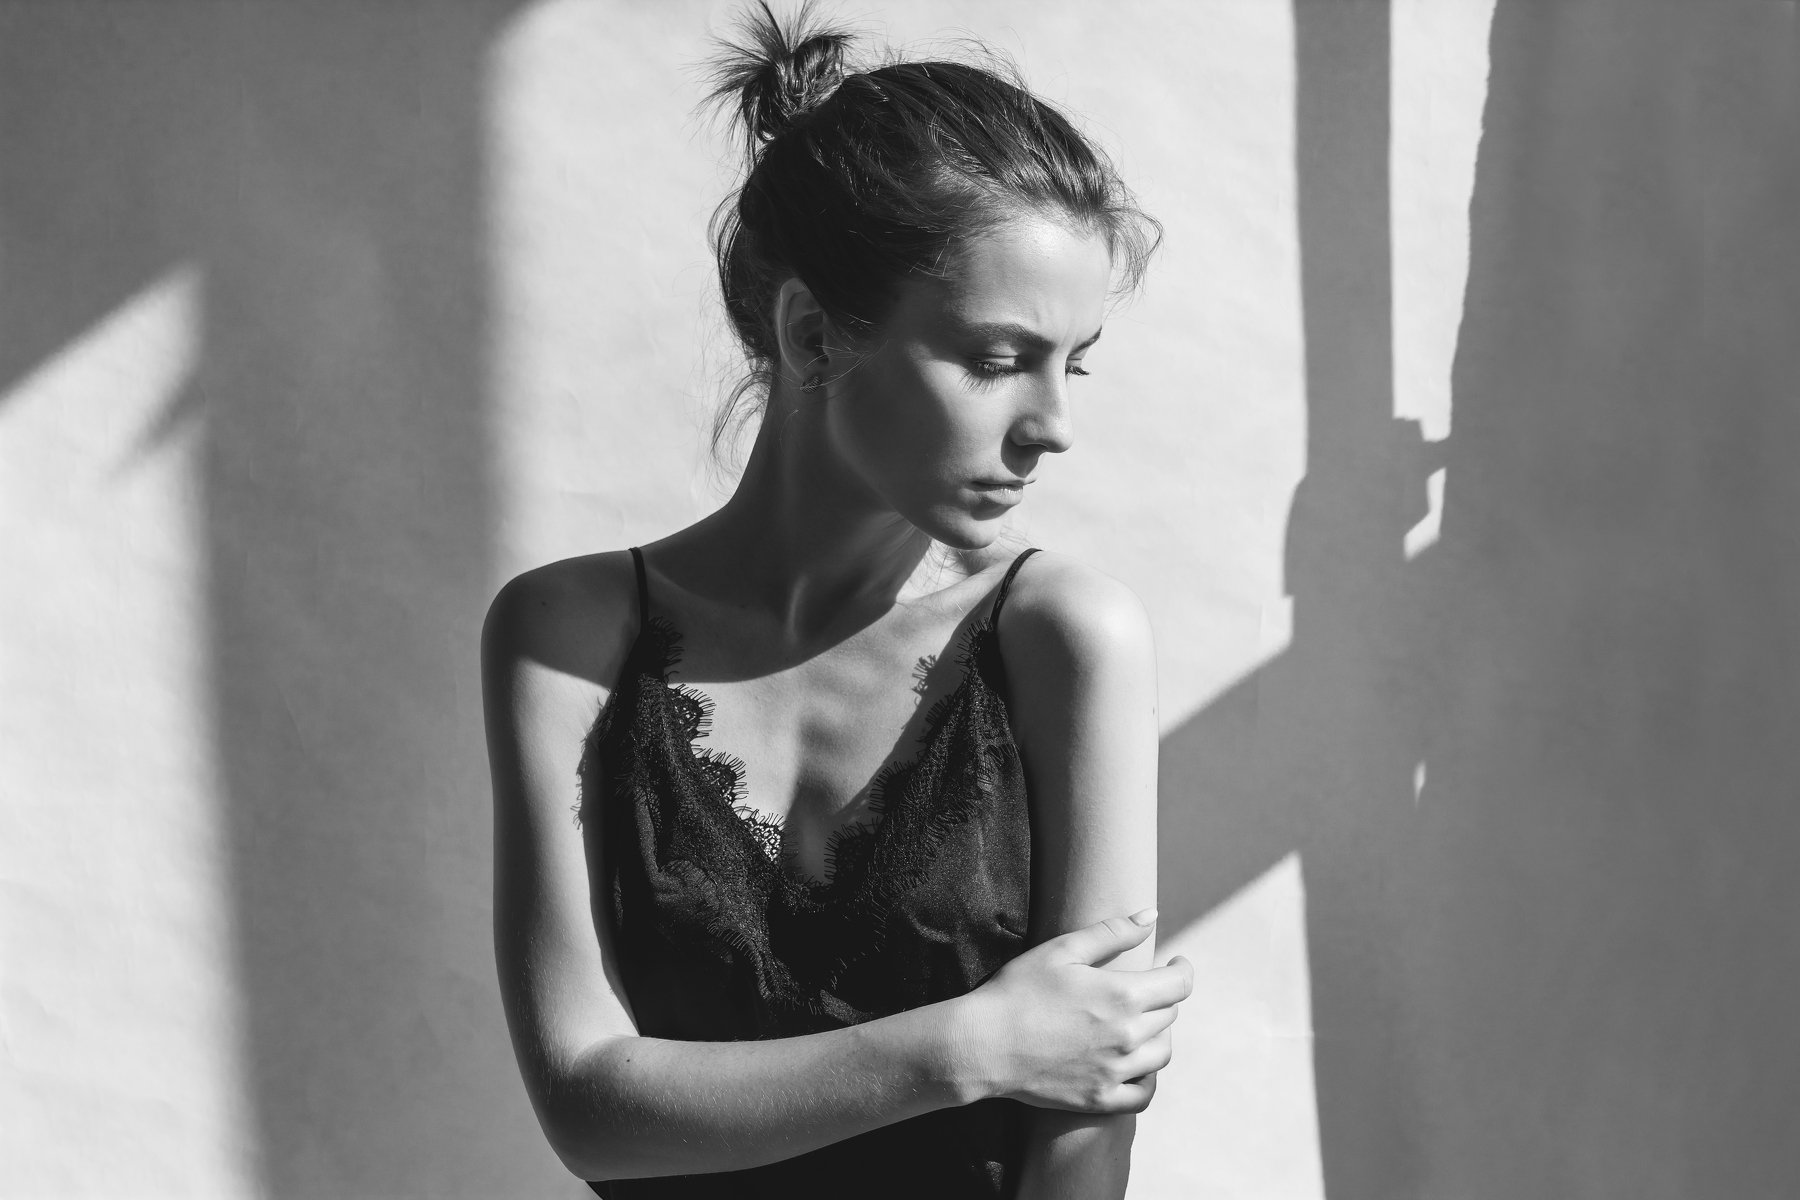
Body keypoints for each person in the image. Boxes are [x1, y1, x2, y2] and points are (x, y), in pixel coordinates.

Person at [480, 5, 1193, 1196]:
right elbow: (588, 1106)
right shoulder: (570, 637)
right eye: (995, 360)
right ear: (812, 334)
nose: (1053, 426)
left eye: (1072, 365)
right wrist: (973, 1045)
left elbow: (1086, 1127)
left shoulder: (1064, 638)